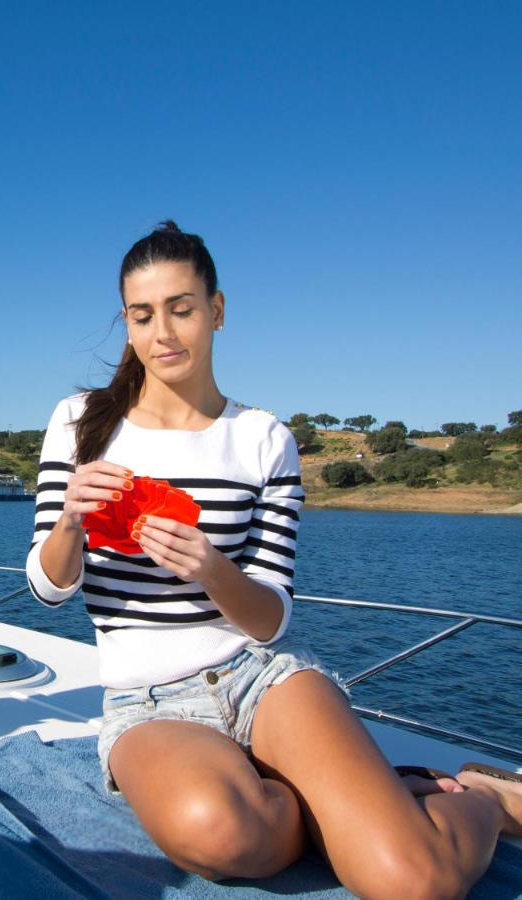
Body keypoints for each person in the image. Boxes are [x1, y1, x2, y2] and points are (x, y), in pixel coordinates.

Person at [26, 222, 521, 898]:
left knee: (415, 882)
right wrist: (71, 523)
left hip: (259, 678)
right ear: (127, 322)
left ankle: (487, 801)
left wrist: (210, 568)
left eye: (182, 308)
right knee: (222, 834)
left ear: (216, 311)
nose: (163, 332)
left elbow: (270, 619)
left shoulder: (263, 438)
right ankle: (371, 802)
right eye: (143, 315)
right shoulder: (81, 422)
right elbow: (47, 588)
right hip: (146, 705)